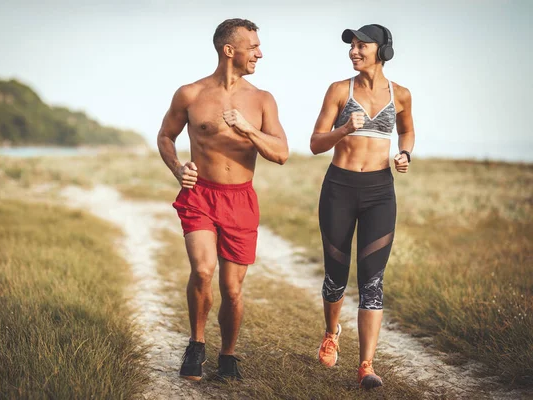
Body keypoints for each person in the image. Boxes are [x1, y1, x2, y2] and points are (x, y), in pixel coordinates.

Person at [157, 18, 289, 382]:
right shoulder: (191, 94)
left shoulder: (262, 100)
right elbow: (165, 136)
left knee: (232, 289)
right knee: (202, 270)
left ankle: (227, 353)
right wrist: (176, 168)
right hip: (199, 195)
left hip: (240, 199)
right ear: (230, 50)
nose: (259, 53)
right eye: (253, 46)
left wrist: (248, 129)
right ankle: (196, 344)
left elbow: (281, 152)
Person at [309, 24, 415, 389]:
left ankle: (366, 365)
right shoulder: (340, 90)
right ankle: (330, 332)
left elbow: (407, 130)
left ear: (382, 50)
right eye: (351, 46)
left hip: (379, 192)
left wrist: (404, 154)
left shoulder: (400, 94)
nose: (353, 51)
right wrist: (342, 130)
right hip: (339, 188)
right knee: (336, 276)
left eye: (361, 45)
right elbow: (315, 143)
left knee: (372, 280)